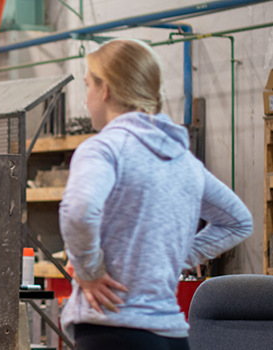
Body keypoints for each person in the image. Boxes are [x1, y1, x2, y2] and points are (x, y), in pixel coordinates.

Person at [58, 38, 253, 350]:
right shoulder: (185, 161)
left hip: (113, 328)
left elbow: (79, 210)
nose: (86, 99)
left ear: (105, 89)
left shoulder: (104, 148)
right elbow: (238, 221)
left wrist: (89, 269)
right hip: (172, 335)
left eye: (87, 86)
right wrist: (173, 256)